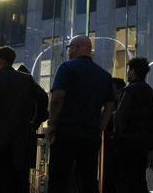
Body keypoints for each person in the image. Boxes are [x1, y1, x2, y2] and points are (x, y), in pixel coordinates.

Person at [46, 35, 114, 192]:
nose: (69, 51)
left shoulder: (66, 67)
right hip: (91, 134)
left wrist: (52, 123)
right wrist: (100, 127)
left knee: (59, 178)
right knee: (88, 179)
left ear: (75, 47)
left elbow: (57, 97)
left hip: (66, 132)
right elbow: (110, 105)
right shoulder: (104, 75)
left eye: (69, 48)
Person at [0, 46, 49, 192]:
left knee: (0, 185)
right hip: (21, 144)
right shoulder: (26, 79)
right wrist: (36, 121)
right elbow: (43, 97)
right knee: (20, 184)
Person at [111, 57, 153, 193]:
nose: (127, 72)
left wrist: (117, 135)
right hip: (144, 142)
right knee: (139, 178)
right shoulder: (150, 91)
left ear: (133, 71)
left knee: (127, 179)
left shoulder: (129, 90)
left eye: (128, 69)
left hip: (128, 142)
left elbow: (120, 117)